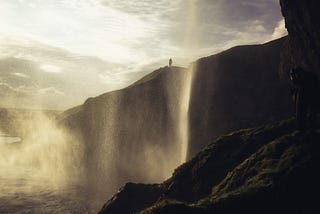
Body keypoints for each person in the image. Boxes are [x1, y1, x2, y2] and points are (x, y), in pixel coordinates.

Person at [290, 67, 319, 131]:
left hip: (312, 94)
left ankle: (305, 128)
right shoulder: (309, 77)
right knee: (312, 112)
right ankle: (310, 126)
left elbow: (300, 108)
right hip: (314, 95)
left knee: (304, 112)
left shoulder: (304, 83)